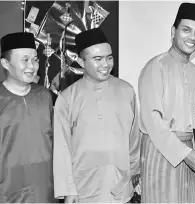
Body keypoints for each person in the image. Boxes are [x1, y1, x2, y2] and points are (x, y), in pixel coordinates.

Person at [138, 2, 195, 203]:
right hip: (161, 151)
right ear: (173, 31)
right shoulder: (156, 66)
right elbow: (152, 120)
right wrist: (184, 153)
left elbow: (191, 111)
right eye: (186, 30)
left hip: (189, 150)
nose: (193, 37)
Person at [53, 28, 140, 203]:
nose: (106, 64)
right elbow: (62, 149)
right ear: (81, 61)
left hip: (120, 187)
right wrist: (69, 189)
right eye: (97, 59)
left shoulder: (127, 91)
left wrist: (135, 174)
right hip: (83, 189)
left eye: (109, 57)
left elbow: (134, 140)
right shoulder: (67, 98)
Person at [0, 32, 56, 203]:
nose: (32, 66)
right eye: (25, 60)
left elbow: (56, 141)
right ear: (5, 63)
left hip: (43, 190)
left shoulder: (45, 96)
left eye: (35, 60)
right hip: (5, 190)